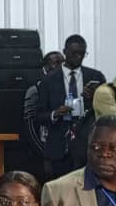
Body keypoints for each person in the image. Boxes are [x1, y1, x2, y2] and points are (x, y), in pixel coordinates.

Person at [35, 34, 107, 179]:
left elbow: (106, 110)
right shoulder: (48, 80)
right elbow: (39, 115)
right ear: (65, 52)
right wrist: (55, 113)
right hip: (59, 145)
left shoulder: (96, 77)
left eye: (82, 53)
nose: (78, 57)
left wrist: (94, 97)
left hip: (88, 143)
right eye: (74, 53)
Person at [24, 51, 65, 175]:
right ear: (46, 68)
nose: (60, 66)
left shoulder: (68, 88)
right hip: (44, 152)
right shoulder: (35, 90)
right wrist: (45, 153)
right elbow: (30, 127)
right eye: (56, 63)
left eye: (62, 63)